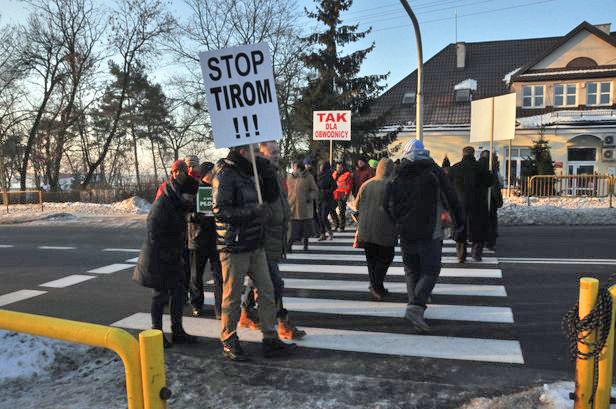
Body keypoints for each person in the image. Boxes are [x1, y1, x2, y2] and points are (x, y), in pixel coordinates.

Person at [212, 144, 296, 361]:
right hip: (235, 245)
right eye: (255, 153)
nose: (259, 156)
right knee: (232, 296)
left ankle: (269, 337)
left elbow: (269, 196)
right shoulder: (226, 173)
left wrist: (267, 171)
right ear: (243, 152)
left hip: (255, 242)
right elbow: (219, 210)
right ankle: (228, 339)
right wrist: (252, 212)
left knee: (268, 290)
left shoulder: (251, 172)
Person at [386, 140, 463, 332]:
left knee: (411, 269)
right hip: (430, 228)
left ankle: (415, 305)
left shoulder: (399, 172)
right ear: (424, 153)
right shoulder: (433, 171)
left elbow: (388, 202)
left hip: (405, 229)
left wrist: (397, 221)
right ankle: (416, 306)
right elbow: (451, 196)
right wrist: (460, 221)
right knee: (431, 269)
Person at [239, 141, 307, 340]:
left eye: (278, 151)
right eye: (273, 152)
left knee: (259, 279)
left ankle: (246, 312)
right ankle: (281, 323)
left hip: (275, 234)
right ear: (261, 153)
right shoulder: (258, 174)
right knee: (274, 282)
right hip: (265, 235)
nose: (277, 155)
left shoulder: (273, 172)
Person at [132, 172, 200, 348]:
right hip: (158, 258)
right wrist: (169, 254)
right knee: (160, 296)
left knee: (178, 294)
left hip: (173, 256)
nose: (192, 200)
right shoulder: (163, 205)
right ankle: (157, 333)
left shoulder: (177, 201)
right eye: (191, 196)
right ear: (183, 192)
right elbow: (154, 234)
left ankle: (177, 331)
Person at [353, 158, 397, 301]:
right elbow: (393, 208)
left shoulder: (366, 184)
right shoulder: (390, 185)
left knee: (371, 260)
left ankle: (377, 287)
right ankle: (376, 286)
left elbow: (356, 205)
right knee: (386, 257)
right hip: (384, 229)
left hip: (365, 228)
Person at [187, 162, 223, 319]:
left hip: (216, 238)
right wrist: (195, 216)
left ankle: (220, 308)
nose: (216, 174)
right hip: (198, 238)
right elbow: (184, 213)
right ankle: (196, 304)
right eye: (213, 171)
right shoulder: (193, 190)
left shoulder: (219, 189)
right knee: (196, 275)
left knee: (219, 276)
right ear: (206, 174)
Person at [449, 146, 493, 262]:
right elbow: (490, 182)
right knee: (478, 227)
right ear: (473, 154)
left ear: (462, 154)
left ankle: (461, 254)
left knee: (460, 227)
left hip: (460, 203)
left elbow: (448, 184)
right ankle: (476, 253)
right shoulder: (480, 168)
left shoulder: (455, 168)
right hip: (478, 202)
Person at [287, 159, 318, 251]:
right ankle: (289, 246)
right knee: (292, 229)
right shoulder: (290, 177)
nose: (292, 168)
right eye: (292, 166)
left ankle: (305, 245)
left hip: (305, 207)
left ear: (299, 168)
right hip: (292, 206)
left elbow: (315, 190)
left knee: (306, 229)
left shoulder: (308, 177)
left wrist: (309, 197)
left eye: (294, 167)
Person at [479, 151, 503, 251]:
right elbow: (495, 187)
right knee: (491, 221)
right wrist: (498, 200)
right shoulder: (491, 170)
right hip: (490, 200)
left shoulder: (478, 167)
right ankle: (490, 242)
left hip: (479, 199)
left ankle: (481, 241)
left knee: (481, 220)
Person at [317, 161, 336, 241]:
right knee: (320, 217)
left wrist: (327, 191)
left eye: (322, 166)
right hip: (319, 198)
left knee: (324, 216)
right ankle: (322, 234)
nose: (320, 167)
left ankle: (330, 232)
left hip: (327, 199)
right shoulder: (319, 175)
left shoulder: (329, 175)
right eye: (320, 165)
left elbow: (335, 186)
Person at [331, 161, 352, 232]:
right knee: (332, 209)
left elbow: (348, 186)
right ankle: (336, 224)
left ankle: (341, 227)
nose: (338, 168)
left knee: (341, 212)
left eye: (340, 167)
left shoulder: (347, 175)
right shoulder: (334, 174)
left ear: (343, 167)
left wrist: (346, 195)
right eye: (337, 167)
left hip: (342, 195)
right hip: (334, 195)